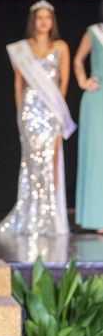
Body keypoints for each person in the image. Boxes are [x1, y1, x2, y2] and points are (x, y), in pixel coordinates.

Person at [0, 0, 75, 239]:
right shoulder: (22, 49)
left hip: (52, 110)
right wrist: (21, 115)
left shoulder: (61, 47)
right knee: (32, 164)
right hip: (29, 110)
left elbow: (63, 82)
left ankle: (51, 219)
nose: (44, 22)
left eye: (48, 17)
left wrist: (57, 110)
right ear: (33, 21)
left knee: (51, 162)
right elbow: (19, 84)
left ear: (52, 21)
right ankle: (32, 216)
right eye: (39, 17)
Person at [74, 17, 103, 232]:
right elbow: (78, 60)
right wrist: (83, 81)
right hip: (97, 97)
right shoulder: (95, 32)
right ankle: (98, 217)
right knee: (98, 156)